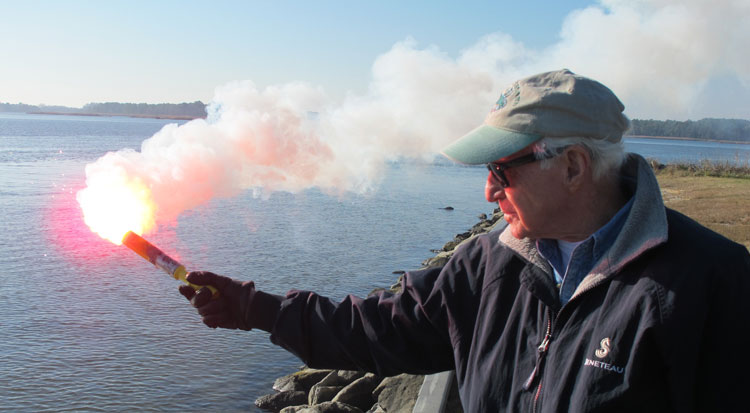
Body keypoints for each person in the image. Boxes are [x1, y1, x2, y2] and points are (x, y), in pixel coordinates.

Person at [180, 69, 750, 412]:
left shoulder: (714, 286)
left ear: (573, 166)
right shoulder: (486, 265)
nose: (486, 192)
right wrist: (252, 308)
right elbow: (379, 330)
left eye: (501, 170)